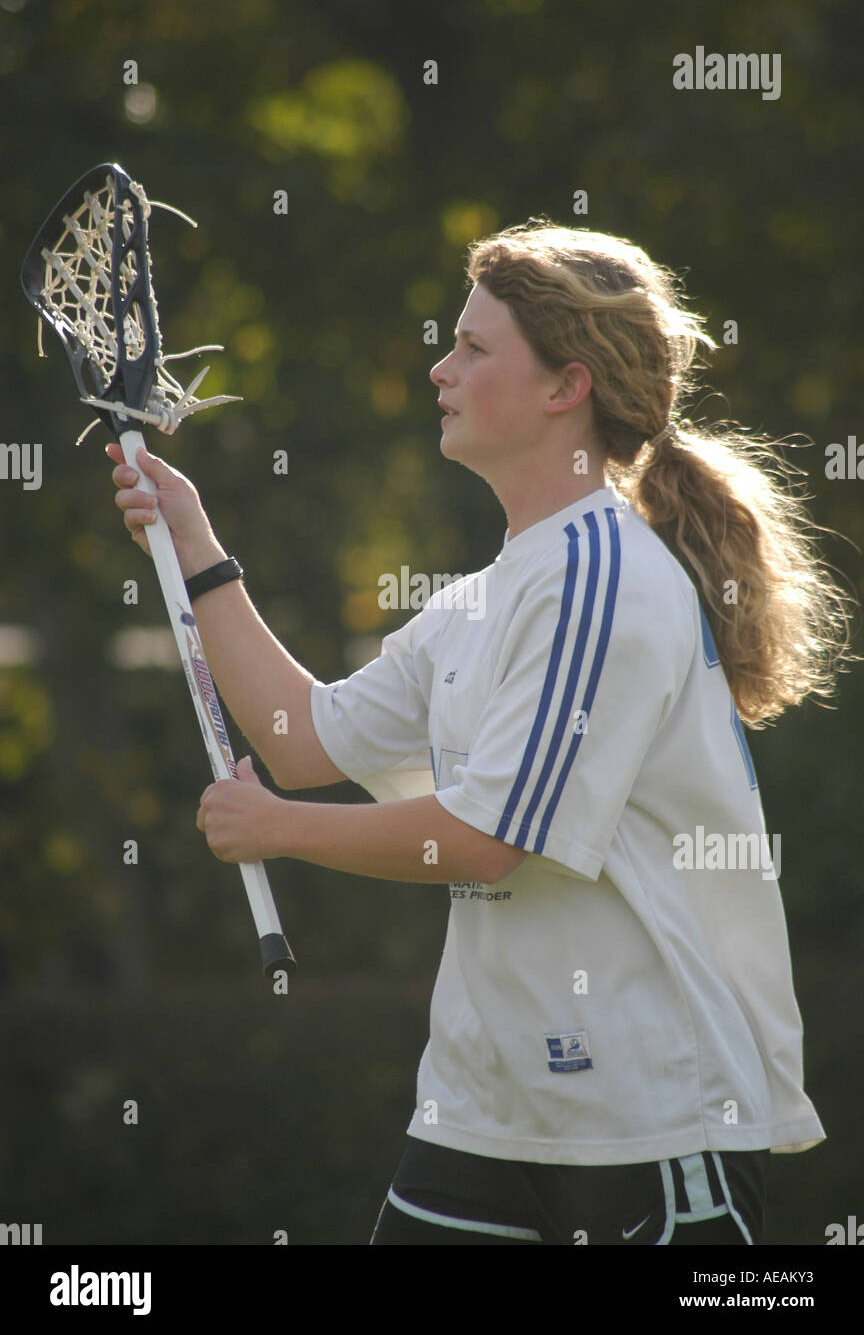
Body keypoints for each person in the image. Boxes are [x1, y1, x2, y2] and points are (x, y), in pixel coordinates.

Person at [107, 218, 852, 1246]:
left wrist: (278, 830)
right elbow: (302, 736)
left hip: (649, 1120)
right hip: (480, 1114)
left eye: (473, 346)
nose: (438, 365)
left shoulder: (605, 580)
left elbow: (491, 837)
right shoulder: (487, 596)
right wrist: (194, 539)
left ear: (566, 387)